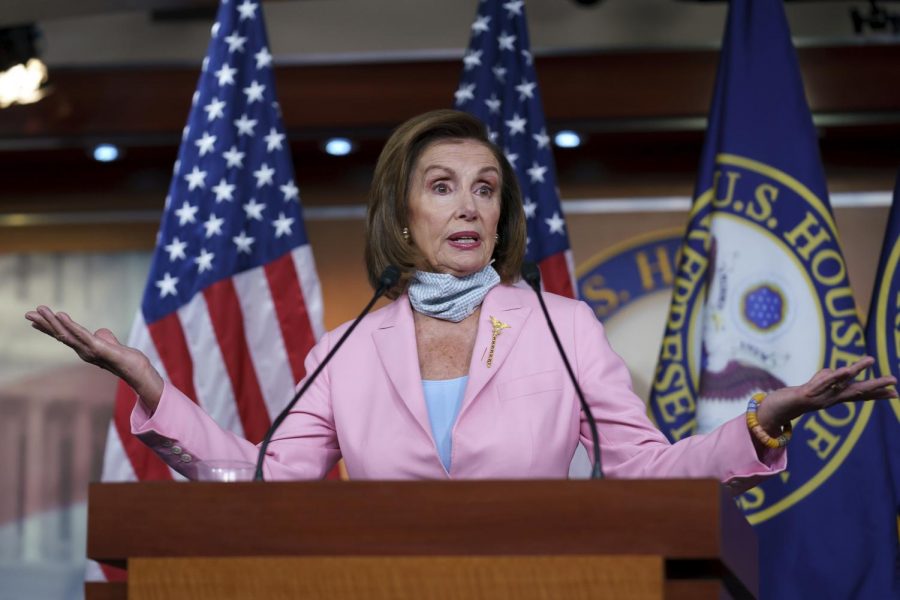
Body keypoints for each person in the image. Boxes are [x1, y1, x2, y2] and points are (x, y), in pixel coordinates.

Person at [25, 110, 896, 489]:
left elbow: (647, 470)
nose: (470, 204)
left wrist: (764, 421)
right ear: (402, 214)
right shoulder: (345, 346)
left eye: (485, 188)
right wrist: (154, 392)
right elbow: (254, 480)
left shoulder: (561, 327)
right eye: (442, 186)